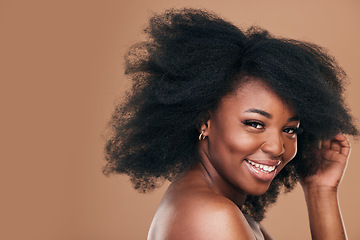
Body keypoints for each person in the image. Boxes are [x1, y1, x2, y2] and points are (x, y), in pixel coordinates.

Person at [103, 8, 358, 240]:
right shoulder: (212, 217)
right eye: (255, 124)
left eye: (289, 129)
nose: (277, 147)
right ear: (205, 120)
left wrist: (320, 190)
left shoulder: (219, 208)